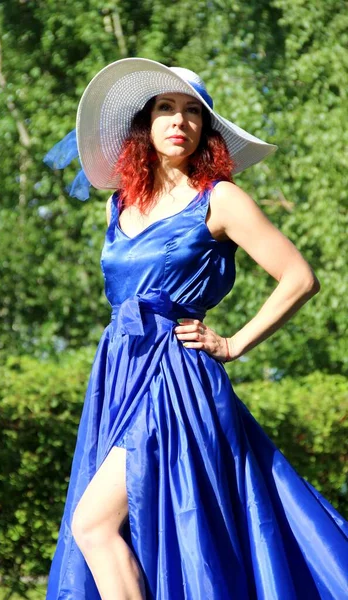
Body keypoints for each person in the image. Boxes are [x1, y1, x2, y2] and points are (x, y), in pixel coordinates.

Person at [43, 58, 348, 600]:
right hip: (119, 370)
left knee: (92, 523)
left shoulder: (220, 199)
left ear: (205, 129)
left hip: (174, 379)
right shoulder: (120, 204)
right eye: (166, 108)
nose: (179, 120)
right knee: (137, 530)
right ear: (146, 123)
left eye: (192, 112)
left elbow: (300, 278)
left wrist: (233, 343)